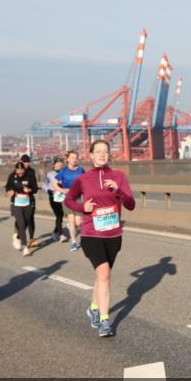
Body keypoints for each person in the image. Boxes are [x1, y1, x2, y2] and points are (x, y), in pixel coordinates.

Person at [63, 139, 135, 337]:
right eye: (98, 152)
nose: (102, 154)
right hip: (91, 234)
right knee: (104, 275)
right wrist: (81, 207)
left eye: (106, 151)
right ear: (91, 155)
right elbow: (69, 199)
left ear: (109, 154)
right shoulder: (83, 179)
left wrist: (118, 191)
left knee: (100, 276)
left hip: (113, 234)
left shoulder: (119, 176)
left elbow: (131, 204)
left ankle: (93, 308)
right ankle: (105, 321)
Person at [54, 150, 85, 251]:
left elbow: (86, 182)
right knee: (71, 221)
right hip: (67, 198)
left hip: (78, 198)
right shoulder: (63, 171)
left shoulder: (81, 170)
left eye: (76, 158)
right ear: (67, 159)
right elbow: (54, 183)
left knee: (78, 223)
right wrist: (62, 190)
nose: (74, 160)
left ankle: (71, 228)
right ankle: (73, 241)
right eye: (72, 158)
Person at [5, 161, 38, 256]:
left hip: (28, 203)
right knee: (21, 223)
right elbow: (7, 186)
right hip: (16, 203)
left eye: (21, 170)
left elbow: (35, 189)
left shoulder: (29, 175)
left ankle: (18, 237)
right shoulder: (12, 176)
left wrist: (29, 190)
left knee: (26, 223)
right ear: (15, 169)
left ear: (24, 169)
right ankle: (25, 248)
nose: (19, 172)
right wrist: (9, 191)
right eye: (18, 170)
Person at [11, 154, 40, 249]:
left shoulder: (31, 172)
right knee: (21, 220)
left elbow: (35, 188)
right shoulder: (15, 173)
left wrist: (30, 190)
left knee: (30, 219)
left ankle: (31, 239)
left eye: (28, 162)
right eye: (24, 162)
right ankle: (18, 235)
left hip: (30, 199)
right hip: (17, 200)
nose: (26, 164)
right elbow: (10, 186)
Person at [44, 158, 68, 242]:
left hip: (63, 197)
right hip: (53, 197)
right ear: (54, 165)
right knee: (59, 215)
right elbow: (44, 184)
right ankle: (61, 234)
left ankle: (55, 232)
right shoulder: (49, 174)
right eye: (57, 163)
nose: (59, 165)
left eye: (60, 163)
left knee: (62, 215)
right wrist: (49, 190)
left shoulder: (65, 173)